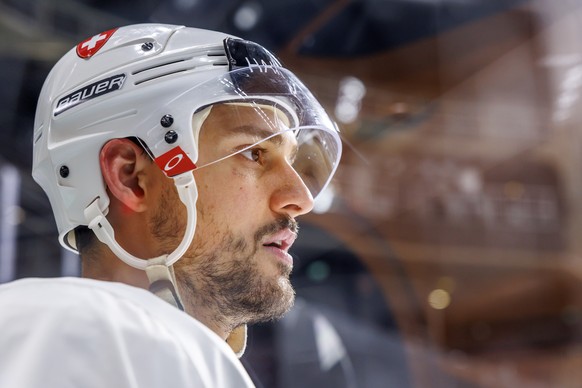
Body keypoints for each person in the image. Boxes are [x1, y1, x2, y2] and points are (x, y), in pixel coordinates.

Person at [0, 24, 341, 387]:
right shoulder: (86, 331)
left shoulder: (186, 362)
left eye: (291, 159)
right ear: (131, 177)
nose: (301, 199)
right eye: (253, 153)